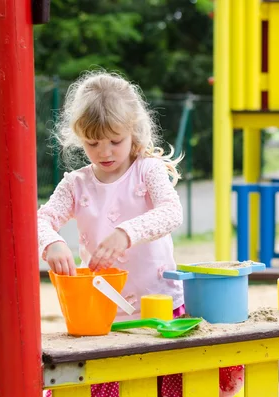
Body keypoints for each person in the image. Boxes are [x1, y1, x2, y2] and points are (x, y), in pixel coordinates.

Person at [38, 70, 243, 397]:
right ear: (80, 138)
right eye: (93, 143)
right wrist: (53, 242)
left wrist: (126, 232)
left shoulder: (146, 171)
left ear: (134, 132)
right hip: (103, 318)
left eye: (115, 141)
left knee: (168, 388)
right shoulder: (76, 184)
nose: (105, 152)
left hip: (159, 309)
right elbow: (41, 219)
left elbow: (171, 211)